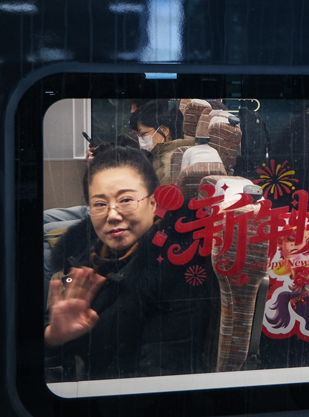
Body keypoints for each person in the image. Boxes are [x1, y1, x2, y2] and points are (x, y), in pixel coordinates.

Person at [44, 146, 211, 380]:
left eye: (126, 200)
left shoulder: (174, 272)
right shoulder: (85, 256)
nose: (112, 215)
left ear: (153, 203)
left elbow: (162, 373)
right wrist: (53, 339)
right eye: (99, 204)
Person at [131, 99, 190, 185]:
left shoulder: (174, 165)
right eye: (139, 136)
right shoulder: (156, 159)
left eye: (143, 134)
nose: (141, 140)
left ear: (164, 130)